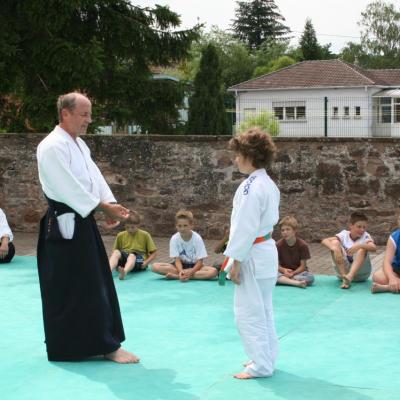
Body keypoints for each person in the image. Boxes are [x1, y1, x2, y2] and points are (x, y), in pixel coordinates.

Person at [36, 92, 138, 363]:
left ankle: (105, 344)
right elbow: (68, 187)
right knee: (70, 287)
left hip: (82, 222)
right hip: (63, 226)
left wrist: (110, 204)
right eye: (84, 114)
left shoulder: (79, 145)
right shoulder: (51, 146)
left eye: (89, 114)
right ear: (65, 114)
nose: (89, 120)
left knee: (95, 283)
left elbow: (94, 177)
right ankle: (77, 347)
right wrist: (101, 206)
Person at [223, 127, 280, 380]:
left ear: (249, 155)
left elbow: (244, 228)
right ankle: (266, 357)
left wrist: (235, 260)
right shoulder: (267, 183)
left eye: (238, 154)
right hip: (265, 251)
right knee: (264, 309)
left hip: (252, 253)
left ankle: (260, 365)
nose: (236, 159)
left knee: (248, 312)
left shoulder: (250, 187)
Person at [151, 210, 218, 281]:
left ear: (191, 225)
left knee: (214, 272)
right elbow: (177, 260)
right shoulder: (174, 238)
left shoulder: (197, 238)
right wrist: (181, 271)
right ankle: (185, 275)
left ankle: (176, 276)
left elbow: (200, 261)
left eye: (185, 226)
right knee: (155, 267)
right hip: (179, 266)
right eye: (179, 226)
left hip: (195, 266)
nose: (182, 229)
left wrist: (191, 272)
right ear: (176, 226)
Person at [321, 211, 377, 289]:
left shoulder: (366, 236)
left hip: (361, 275)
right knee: (335, 242)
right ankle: (345, 278)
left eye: (364, 227)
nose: (362, 230)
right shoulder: (344, 234)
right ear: (351, 225)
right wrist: (334, 248)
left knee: (363, 248)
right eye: (359, 226)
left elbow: (374, 248)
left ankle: (350, 276)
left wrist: (359, 245)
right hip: (342, 274)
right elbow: (324, 240)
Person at [109, 211, 157, 280]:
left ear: (138, 225)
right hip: (125, 259)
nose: (130, 230)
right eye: (127, 227)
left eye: (132, 227)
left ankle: (124, 272)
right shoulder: (120, 235)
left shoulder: (145, 235)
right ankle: (108, 271)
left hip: (139, 260)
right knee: (116, 252)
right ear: (125, 225)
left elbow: (154, 253)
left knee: (132, 255)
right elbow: (114, 252)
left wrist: (146, 262)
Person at [276, 216, 314, 288]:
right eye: (282, 230)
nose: (285, 232)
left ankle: (285, 281)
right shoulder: (278, 245)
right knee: (272, 274)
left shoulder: (303, 245)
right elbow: (276, 265)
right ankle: (296, 283)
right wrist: (284, 270)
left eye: (288, 229)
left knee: (311, 277)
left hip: (298, 273)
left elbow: (303, 266)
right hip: (283, 272)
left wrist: (293, 273)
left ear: (294, 230)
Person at [371, 220, 400, 294]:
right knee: (377, 276)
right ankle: (395, 284)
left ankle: (387, 287)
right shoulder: (394, 237)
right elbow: (387, 262)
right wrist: (392, 278)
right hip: (397, 270)